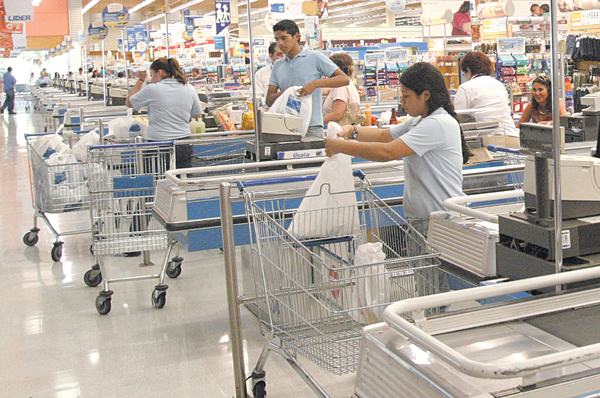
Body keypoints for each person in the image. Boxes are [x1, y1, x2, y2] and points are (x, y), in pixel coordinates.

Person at [324, 62, 471, 235]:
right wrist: (352, 130)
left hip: (442, 223)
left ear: (425, 95)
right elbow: (383, 136)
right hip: (428, 220)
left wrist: (341, 146)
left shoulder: (437, 123)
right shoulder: (419, 121)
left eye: (406, 96)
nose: (402, 101)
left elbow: (387, 152)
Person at [266, 19, 350, 138]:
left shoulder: (315, 57)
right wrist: (289, 92)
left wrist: (316, 84)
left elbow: (344, 79)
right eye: (277, 39)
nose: (279, 43)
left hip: (312, 126)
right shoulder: (278, 65)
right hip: (285, 128)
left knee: (312, 156)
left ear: (296, 36)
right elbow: (269, 100)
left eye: (284, 38)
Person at [126, 57, 203, 169]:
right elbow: (196, 114)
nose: (152, 79)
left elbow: (129, 102)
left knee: (159, 180)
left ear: (160, 72)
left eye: (152, 74)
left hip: (158, 144)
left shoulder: (153, 89)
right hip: (183, 143)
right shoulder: (189, 88)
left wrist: (141, 80)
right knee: (182, 179)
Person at [454, 51, 520, 147]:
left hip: (489, 141)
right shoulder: (499, 84)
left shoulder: (465, 88)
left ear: (468, 70)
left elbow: (460, 119)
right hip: (512, 137)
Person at [322, 52, 362, 125]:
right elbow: (328, 90)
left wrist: (316, 124)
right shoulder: (346, 83)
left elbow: (337, 114)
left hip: (341, 131)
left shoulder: (340, 86)